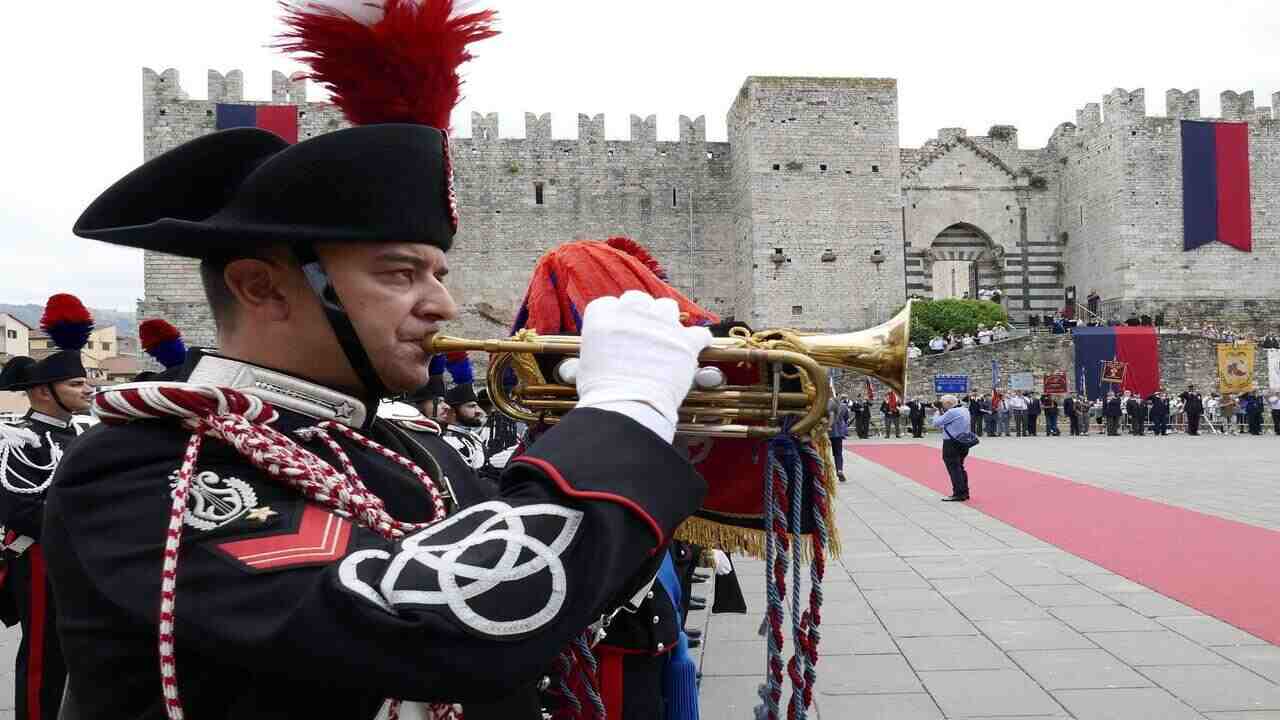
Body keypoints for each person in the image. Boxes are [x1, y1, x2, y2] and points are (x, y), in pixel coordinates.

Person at [53, 5, 713, 717]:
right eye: (401, 275)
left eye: (439, 274)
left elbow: (553, 589)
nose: (443, 307)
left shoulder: (400, 448)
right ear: (262, 286)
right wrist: (622, 419)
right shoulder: (142, 466)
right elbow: (434, 621)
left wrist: (663, 437)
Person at [0, 293, 95, 720]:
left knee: (77, 654)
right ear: (43, 391)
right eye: (76, 383)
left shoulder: (83, 435)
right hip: (38, 558)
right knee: (43, 656)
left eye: (86, 380)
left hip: (77, 558)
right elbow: (19, 510)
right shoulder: (20, 440)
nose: (88, 388)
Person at [931, 395, 972, 502]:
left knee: (954, 469)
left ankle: (958, 493)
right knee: (960, 467)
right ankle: (965, 492)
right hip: (963, 442)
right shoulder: (964, 410)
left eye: (943, 404)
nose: (942, 405)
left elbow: (936, 423)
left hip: (951, 443)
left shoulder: (951, 412)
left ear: (948, 404)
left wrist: (936, 412)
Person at [829, 394, 851, 482]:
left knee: (825, 453)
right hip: (838, 433)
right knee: (838, 453)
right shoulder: (843, 406)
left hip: (827, 432)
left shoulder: (825, 404)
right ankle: (839, 470)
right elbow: (846, 418)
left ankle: (826, 472)